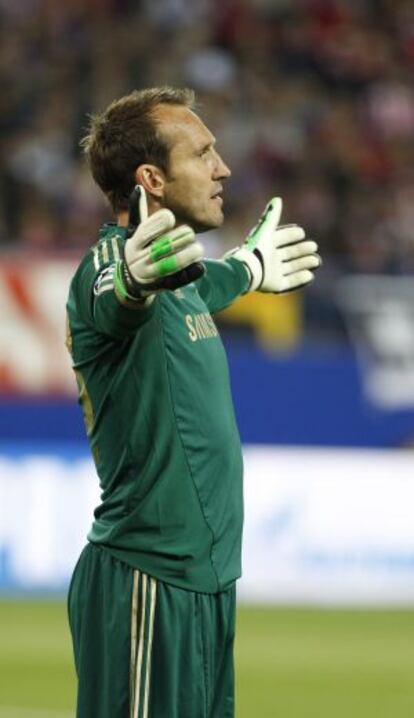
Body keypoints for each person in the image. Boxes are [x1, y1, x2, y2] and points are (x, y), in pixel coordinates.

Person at [66, 86, 320, 718]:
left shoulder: (183, 285)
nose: (223, 168)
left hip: (206, 588)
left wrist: (251, 267)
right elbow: (116, 293)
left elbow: (209, 281)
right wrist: (131, 280)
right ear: (151, 178)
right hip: (148, 582)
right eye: (202, 153)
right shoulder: (108, 266)